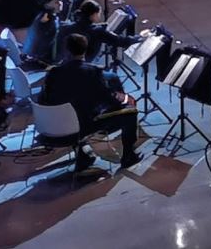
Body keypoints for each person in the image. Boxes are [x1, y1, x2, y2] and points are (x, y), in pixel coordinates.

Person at [39, 33, 142, 171]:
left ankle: (83, 155)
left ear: (67, 50)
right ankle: (129, 156)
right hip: (78, 128)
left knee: (75, 109)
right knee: (130, 111)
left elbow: (44, 99)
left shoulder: (53, 72)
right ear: (85, 50)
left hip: (51, 128)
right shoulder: (92, 71)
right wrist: (123, 100)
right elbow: (107, 98)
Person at [23, 0, 64, 66]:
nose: (60, 3)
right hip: (39, 59)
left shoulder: (53, 16)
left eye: (60, 1)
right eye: (56, 2)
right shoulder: (45, 17)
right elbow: (39, 37)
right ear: (47, 5)